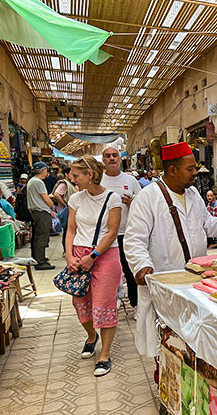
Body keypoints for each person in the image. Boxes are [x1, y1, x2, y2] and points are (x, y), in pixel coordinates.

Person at [124, 142, 217, 360]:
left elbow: (207, 224)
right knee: (166, 341)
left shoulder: (193, 195)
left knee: (193, 340)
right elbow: (134, 240)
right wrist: (142, 266)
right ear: (172, 170)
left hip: (197, 280)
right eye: (190, 169)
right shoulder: (147, 198)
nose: (195, 173)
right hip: (165, 282)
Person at [65, 155, 122, 377]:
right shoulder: (76, 199)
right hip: (78, 254)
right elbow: (70, 230)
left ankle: (104, 355)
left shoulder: (112, 198)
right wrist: (70, 256)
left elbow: (112, 232)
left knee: (105, 304)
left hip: (105, 255)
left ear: (90, 175)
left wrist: (94, 255)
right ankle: (91, 336)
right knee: (80, 302)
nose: (72, 179)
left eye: (76, 175)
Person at [100, 147, 142, 311]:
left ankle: (136, 304)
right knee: (108, 273)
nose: (111, 158)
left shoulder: (130, 181)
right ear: (103, 160)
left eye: (114, 155)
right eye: (107, 156)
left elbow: (142, 204)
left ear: (120, 159)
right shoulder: (99, 180)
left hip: (127, 233)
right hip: (105, 235)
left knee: (131, 271)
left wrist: (132, 203)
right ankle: (110, 304)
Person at [27, 162, 56, 270]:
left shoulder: (32, 181)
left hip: (36, 211)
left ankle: (38, 258)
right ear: (43, 170)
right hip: (41, 212)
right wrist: (52, 205)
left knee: (38, 236)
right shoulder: (38, 182)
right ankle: (40, 261)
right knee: (42, 236)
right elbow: (45, 198)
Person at [53, 167, 78, 252]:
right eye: (71, 174)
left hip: (68, 211)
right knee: (68, 231)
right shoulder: (64, 184)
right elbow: (56, 194)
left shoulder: (70, 184)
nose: (73, 176)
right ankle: (66, 250)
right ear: (66, 174)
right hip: (65, 211)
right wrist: (66, 204)